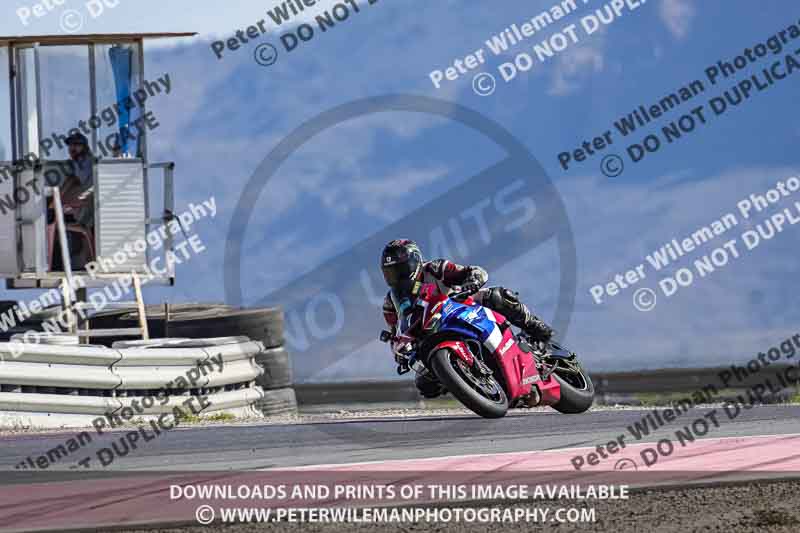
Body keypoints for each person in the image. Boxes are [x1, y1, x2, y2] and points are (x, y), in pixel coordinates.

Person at [380, 239, 554, 398]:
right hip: (429, 334)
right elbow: (396, 332)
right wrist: (399, 352)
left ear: (415, 262)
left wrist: (472, 281)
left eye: (401, 270)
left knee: (498, 297)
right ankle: (466, 381)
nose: (396, 276)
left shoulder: (434, 268)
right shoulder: (391, 302)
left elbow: (472, 271)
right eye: (391, 273)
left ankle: (535, 327)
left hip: (461, 309)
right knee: (424, 384)